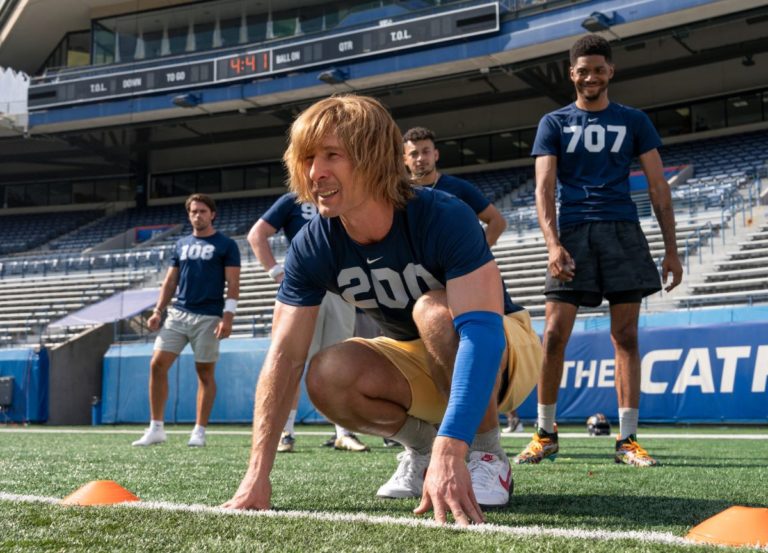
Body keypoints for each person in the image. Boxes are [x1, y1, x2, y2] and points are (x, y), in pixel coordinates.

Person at [223, 95, 541, 526]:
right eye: (309, 158)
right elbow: (284, 357)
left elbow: (482, 334)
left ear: (372, 157)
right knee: (327, 372)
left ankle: (487, 454)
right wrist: (256, 477)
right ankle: (421, 449)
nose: (315, 172)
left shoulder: (443, 214)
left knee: (433, 310)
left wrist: (454, 447)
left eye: (332, 155)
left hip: (503, 352)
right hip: (417, 355)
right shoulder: (314, 243)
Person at [514, 34, 683, 467]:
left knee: (625, 336)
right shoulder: (553, 123)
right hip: (573, 233)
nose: (591, 77)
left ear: (611, 71)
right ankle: (545, 433)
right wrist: (552, 244)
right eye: (583, 70)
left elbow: (659, 187)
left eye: (598, 70)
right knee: (554, 335)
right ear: (572, 74)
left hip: (623, 232)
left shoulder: (634, 120)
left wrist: (671, 250)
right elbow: (544, 188)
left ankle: (627, 440)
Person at [247, 192, 369, 453]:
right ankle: (285, 431)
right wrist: (276, 272)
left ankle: (343, 432)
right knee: (293, 360)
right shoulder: (292, 200)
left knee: (341, 364)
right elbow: (257, 234)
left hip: (341, 287)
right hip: (304, 290)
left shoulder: (344, 195)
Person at [132, 193, 241, 448]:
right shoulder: (181, 244)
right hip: (179, 313)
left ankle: (199, 431)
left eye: (202, 211)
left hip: (209, 316)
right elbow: (171, 281)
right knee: (157, 364)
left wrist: (228, 316)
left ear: (212, 214)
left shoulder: (226, 245)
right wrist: (158, 310)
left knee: (204, 372)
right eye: (193, 211)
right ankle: (156, 428)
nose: (197, 215)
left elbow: (233, 283)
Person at [402, 126, 507, 247]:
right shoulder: (399, 193)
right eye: (414, 154)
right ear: (405, 160)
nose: (421, 158)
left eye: (426, 151)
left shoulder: (459, 187)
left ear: (435, 155)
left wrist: (478, 252)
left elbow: (497, 221)